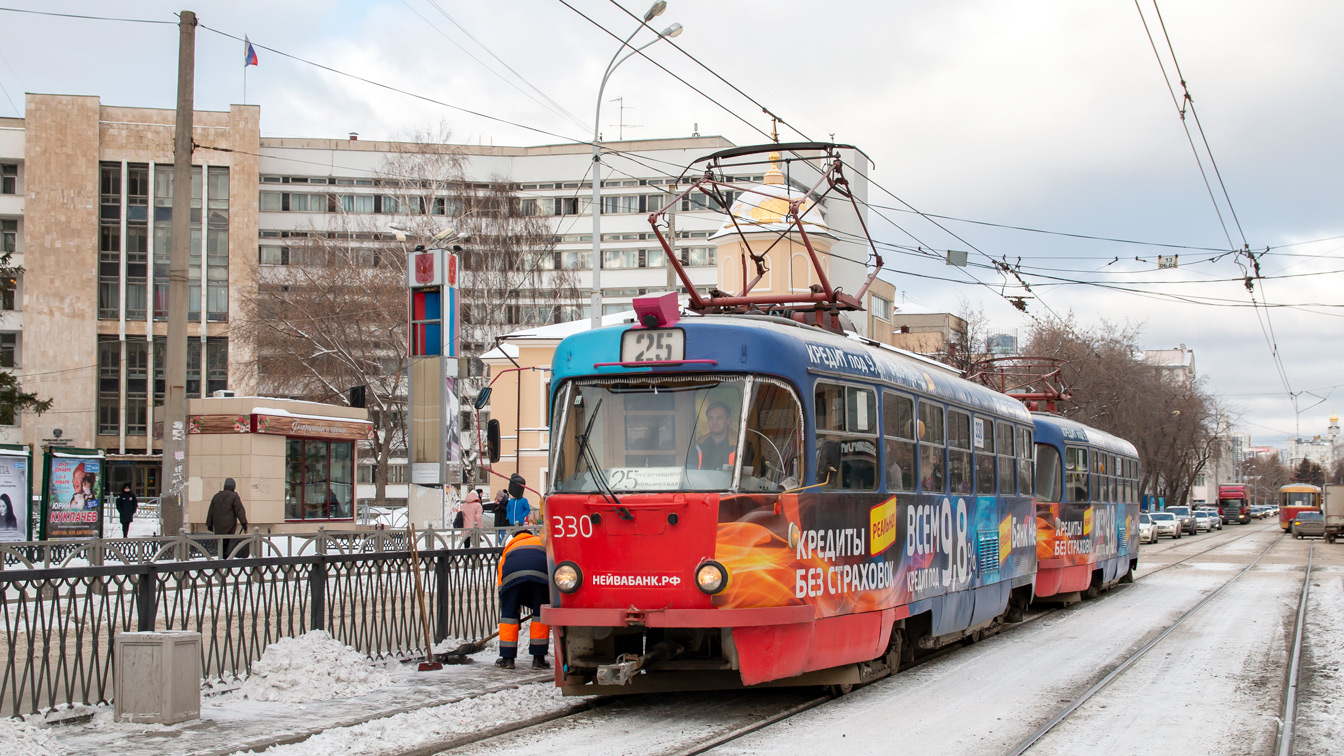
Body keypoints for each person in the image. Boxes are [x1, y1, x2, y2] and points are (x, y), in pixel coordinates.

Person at [494, 529, 550, 670]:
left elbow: (501, 575)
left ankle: (507, 659)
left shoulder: (510, 547)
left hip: (512, 579)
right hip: (540, 577)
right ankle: (538, 659)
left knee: (508, 619)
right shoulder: (541, 542)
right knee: (540, 616)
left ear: (515, 537)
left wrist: (507, 605)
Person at [688, 401, 737, 471]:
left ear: (728, 421)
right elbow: (691, 474)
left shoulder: (740, 445)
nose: (714, 422)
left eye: (719, 418)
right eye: (711, 418)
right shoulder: (699, 447)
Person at [207, 478, 249, 558]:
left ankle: (222, 560)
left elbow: (211, 511)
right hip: (229, 526)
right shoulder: (234, 497)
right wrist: (244, 523)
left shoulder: (216, 496)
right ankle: (227, 560)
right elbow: (239, 511)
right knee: (228, 544)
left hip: (218, 526)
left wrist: (209, 524)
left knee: (221, 544)